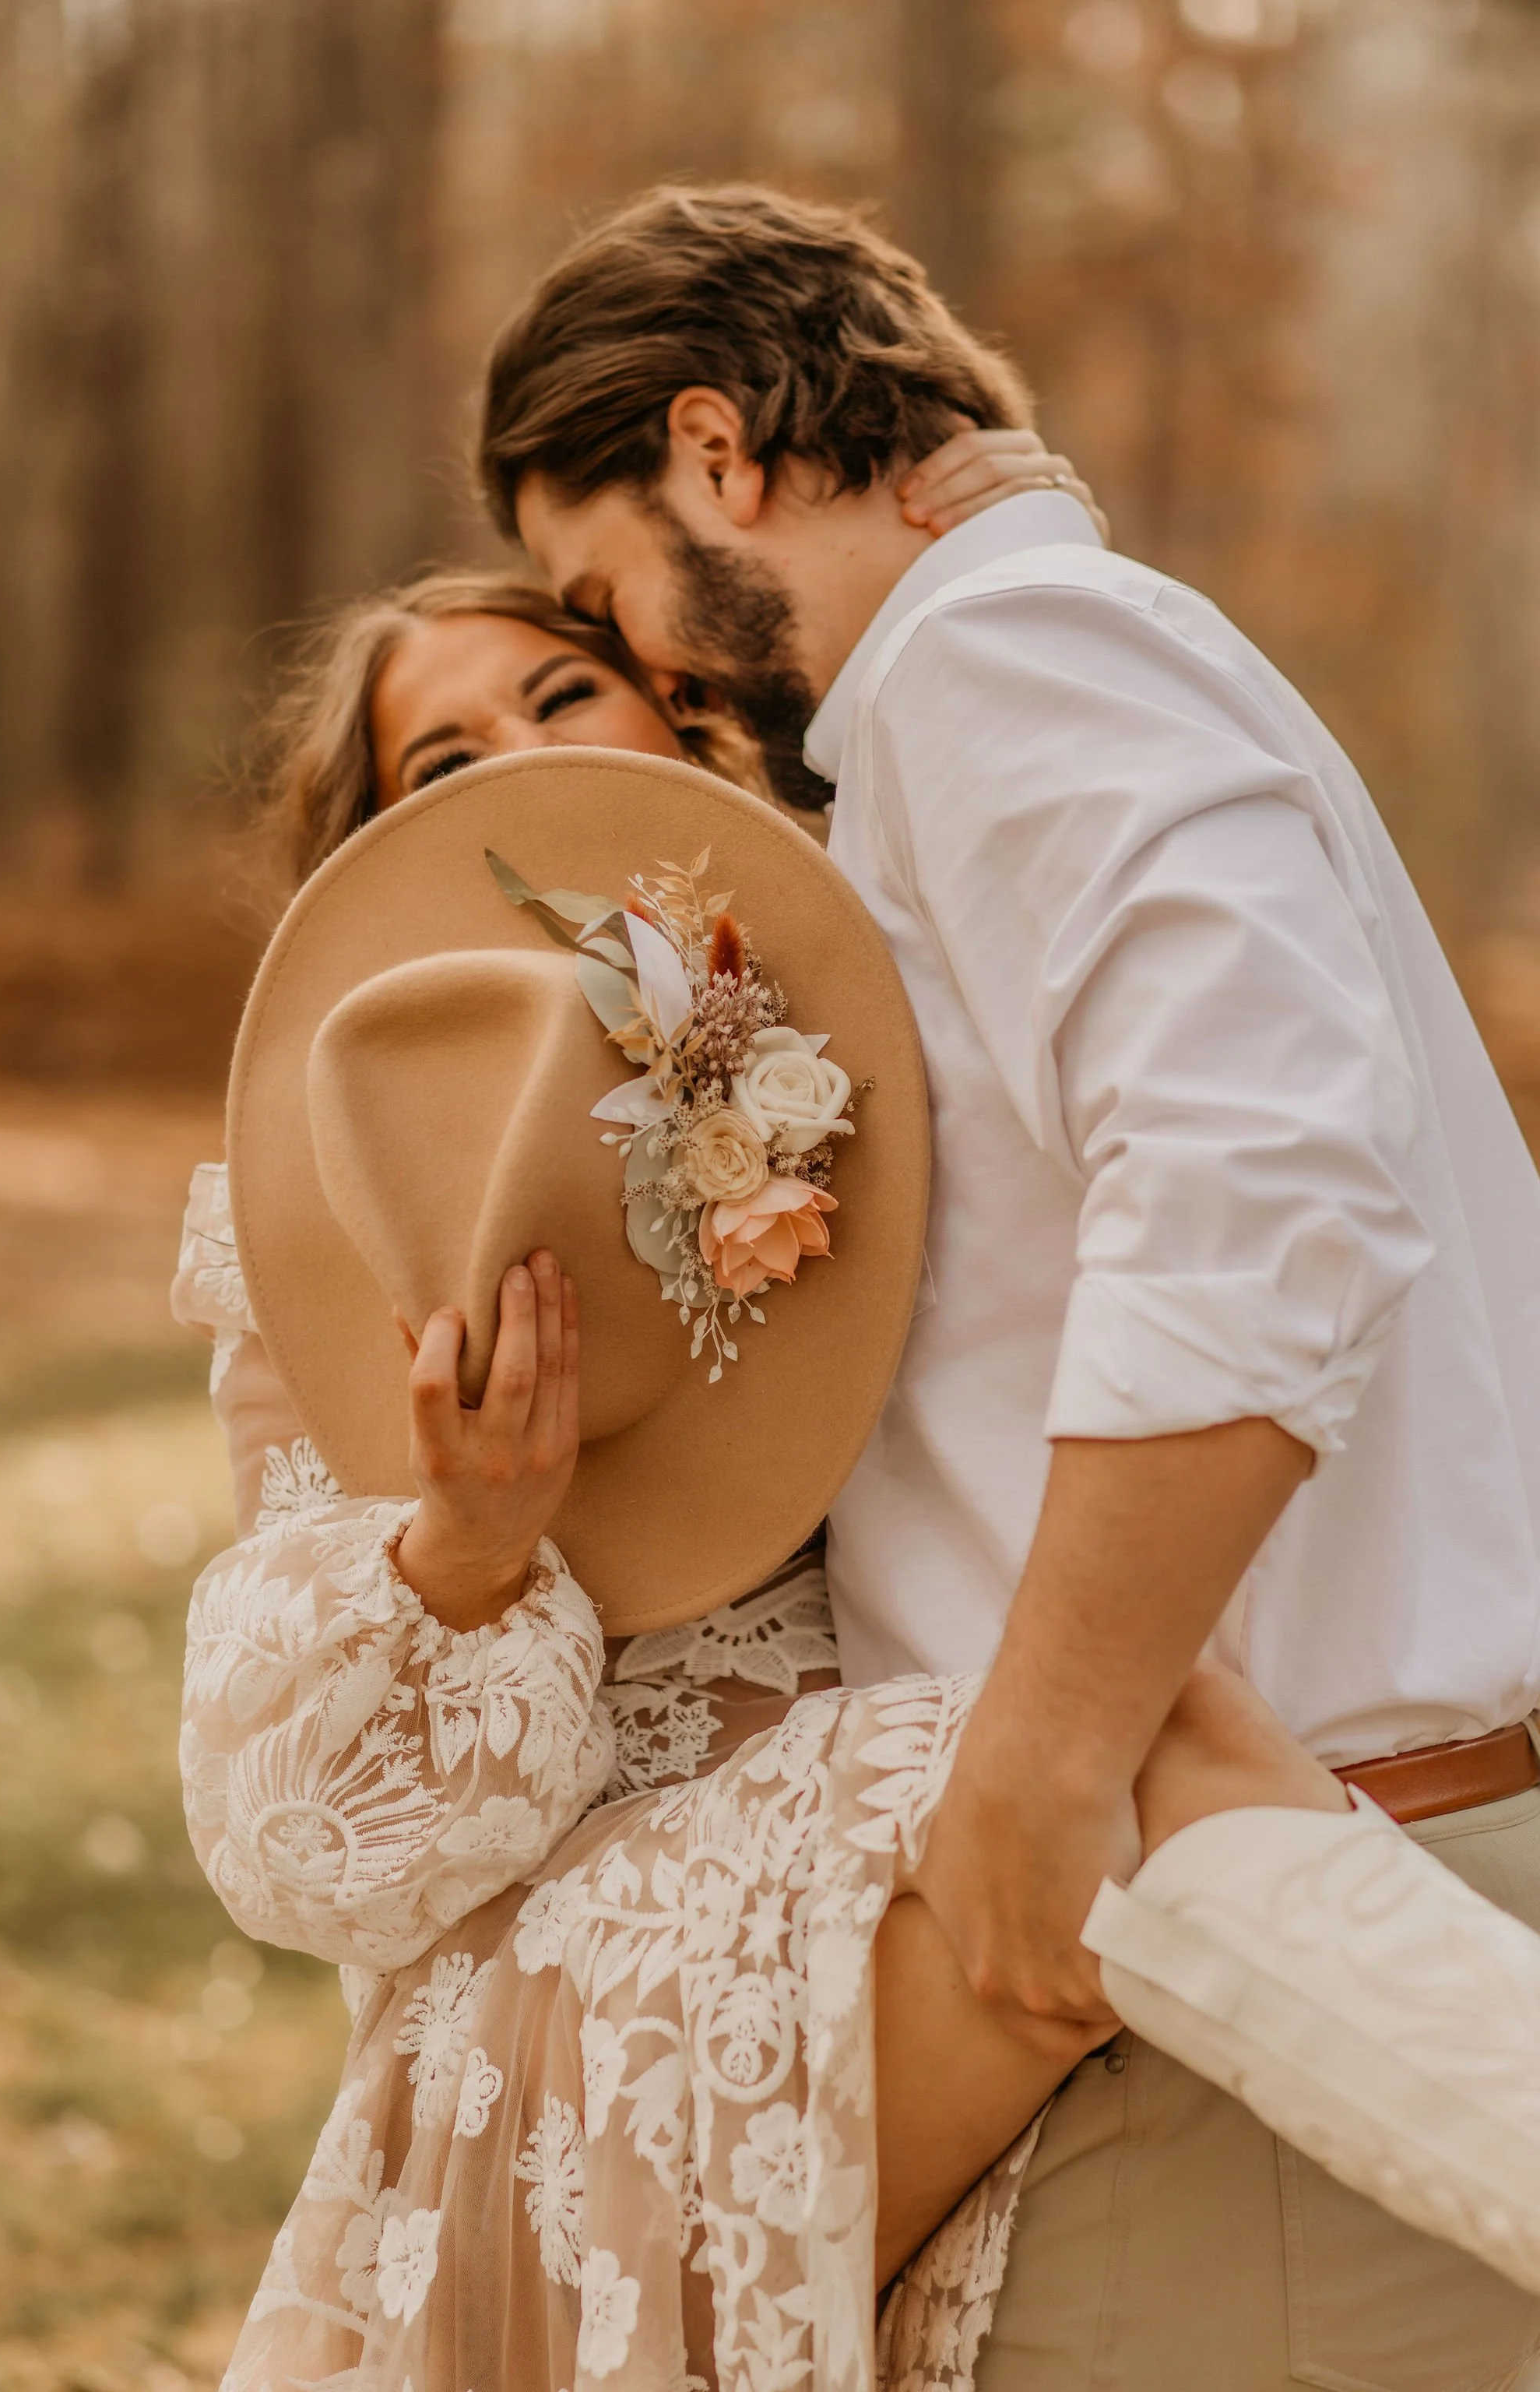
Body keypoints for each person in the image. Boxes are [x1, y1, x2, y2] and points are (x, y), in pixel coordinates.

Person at [470, 183, 1540, 2388]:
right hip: (1226, 1962)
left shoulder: (994, 652)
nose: (646, 667)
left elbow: (1262, 1171)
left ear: (715, 452)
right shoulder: (1008, 673)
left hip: (1268, 1982)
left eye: (602, 591)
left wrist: (1043, 1764)